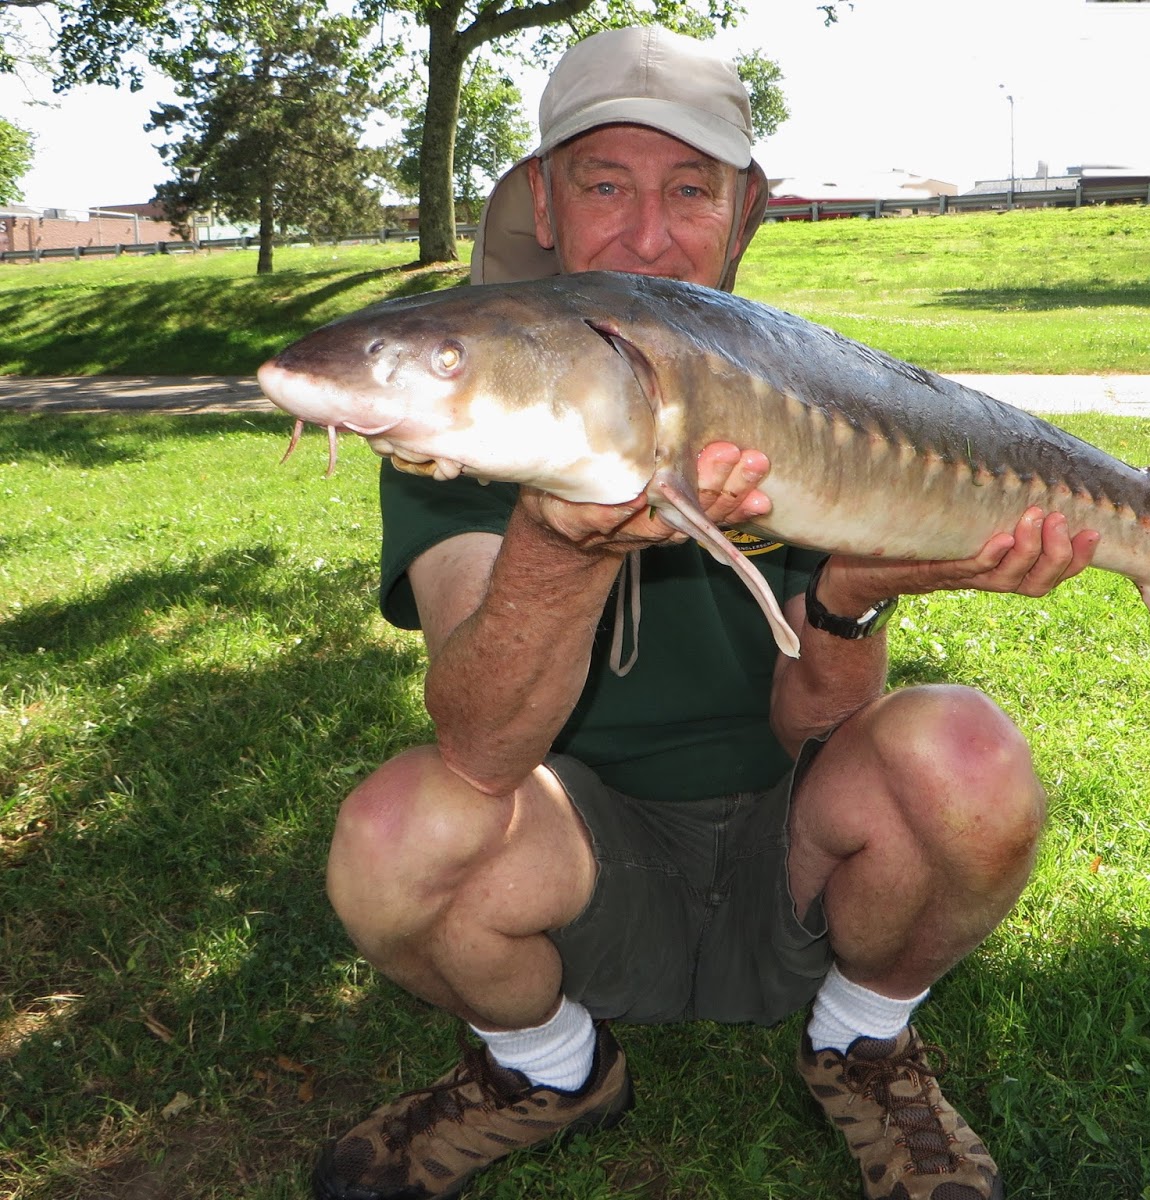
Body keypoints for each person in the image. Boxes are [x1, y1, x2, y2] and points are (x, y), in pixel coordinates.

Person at [310, 25, 1099, 1200]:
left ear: (748, 209)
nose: (646, 231)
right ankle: (551, 1066)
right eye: (603, 183)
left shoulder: (810, 392)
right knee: (394, 832)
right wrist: (557, 541)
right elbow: (478, 751)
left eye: (689, 189)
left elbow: (817, 727)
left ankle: (860, 1042)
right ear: (543, 199)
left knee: (964, 751)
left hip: (792, 849)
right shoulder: (472, 416)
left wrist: (854, 590)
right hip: (581, 863)